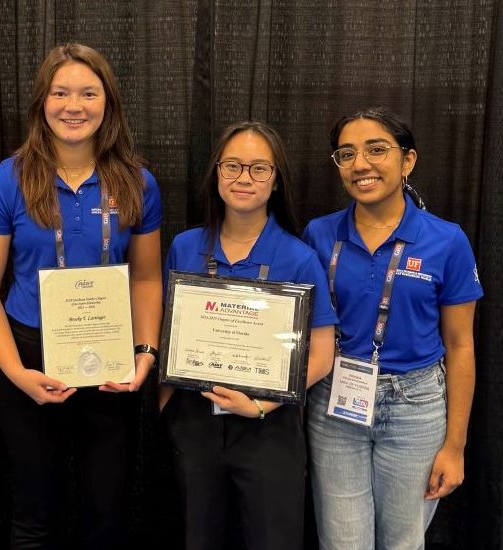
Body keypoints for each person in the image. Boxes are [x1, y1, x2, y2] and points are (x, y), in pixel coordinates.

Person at [0, 43, 162, 549]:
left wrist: (145, 353)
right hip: (28, 358)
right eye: (61, 93)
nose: (74, 106)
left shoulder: (138, 182)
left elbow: (145, 280)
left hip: (111, 362)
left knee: (107, 513)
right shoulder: (7, 181)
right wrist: (15, 374)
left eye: (88, 93)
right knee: (34, 514)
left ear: (108, 102)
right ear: (42, 102)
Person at [304, 107, 483, 549]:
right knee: (342, 542)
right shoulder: (319, 235)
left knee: (402, 542)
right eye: (347, 154)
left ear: (408, 160)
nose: (360, 164)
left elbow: (460, 344)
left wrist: (455, 446)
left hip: (414, 407)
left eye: (376, 149)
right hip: (335, 402)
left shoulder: (447, 240)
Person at [160, 121, 337, 550]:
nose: (244, 178)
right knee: (198, 537)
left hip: (268, 425)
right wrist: (167, 406)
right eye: (233, 166)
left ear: (276, 181)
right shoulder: (185, 246)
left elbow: (323, 352)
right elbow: (168, 329)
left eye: (259, 168)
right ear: (216, 173)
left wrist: (260, 405)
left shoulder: (299, 257)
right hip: (196, 422)